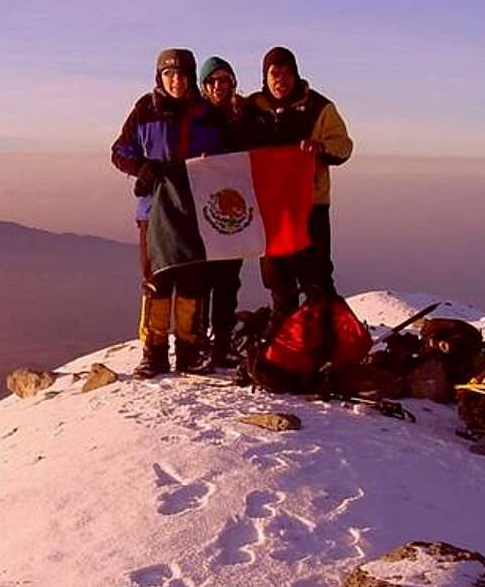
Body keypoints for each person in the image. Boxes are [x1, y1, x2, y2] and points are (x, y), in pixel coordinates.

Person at [112, 48, 227, 378]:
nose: (176, 80)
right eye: (168, 74)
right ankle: (155, 352)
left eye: (181, 74)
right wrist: (142, 168)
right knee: (157, 281)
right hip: (154, 210)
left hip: (195, 211)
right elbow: (120, 151)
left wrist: (212, 163)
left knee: (193, 281)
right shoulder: (145, 110)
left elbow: (225, 155)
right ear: (159, 77)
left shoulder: (206, 114)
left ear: (191, 77)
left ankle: (189, 351)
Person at [245, 46, 353, 321]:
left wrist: (320, 148)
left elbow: (343, 146)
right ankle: (287, 342)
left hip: (310, 206)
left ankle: (329, 337)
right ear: (264, 77)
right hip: (270, 210)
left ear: (295, 74)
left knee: (317, 278)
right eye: (274, 73)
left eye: (286, 73)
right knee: (277, 278)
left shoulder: (319, 107)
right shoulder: (252, 108)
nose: (280, 79)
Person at [197, 56, 246, 367]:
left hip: (237, 211)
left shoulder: (245, 117)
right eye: (213, 81)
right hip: (202, 210)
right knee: (202, 277)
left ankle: (223, 341)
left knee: (228, 278)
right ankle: (199, 341)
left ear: (233, 83)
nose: (219, 86)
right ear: (205, 86)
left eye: (224, 79)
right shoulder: (195, 119)